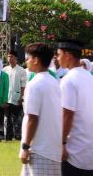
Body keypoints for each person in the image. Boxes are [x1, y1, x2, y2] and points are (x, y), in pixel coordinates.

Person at [19, 43, 62, 176]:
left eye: (28, 58)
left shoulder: (34, 84)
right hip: (54, 148)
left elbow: (32, 118)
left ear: (36, 60)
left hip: (39, 150)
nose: (26, 62)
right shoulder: (54, 81)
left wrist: (25, 147)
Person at [56, 39, 93, 175]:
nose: (57, 58)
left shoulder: (68, 80)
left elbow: (67, 114)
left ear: (68, 56)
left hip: (74, 151)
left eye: (59, 54)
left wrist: (62, 144)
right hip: (89, 149)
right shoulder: (89, 77)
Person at [3, 50, 27, 141]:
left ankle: (18, 135)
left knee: (17, 117)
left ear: (16, 58)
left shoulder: (21, 70)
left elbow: (23, 85)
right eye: (8, 56)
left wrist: (21, 96)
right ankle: (8, 135)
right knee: (7, 117)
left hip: (17, 96)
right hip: (6, 97)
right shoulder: (5, 70)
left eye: (12, 56)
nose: (10, 58)